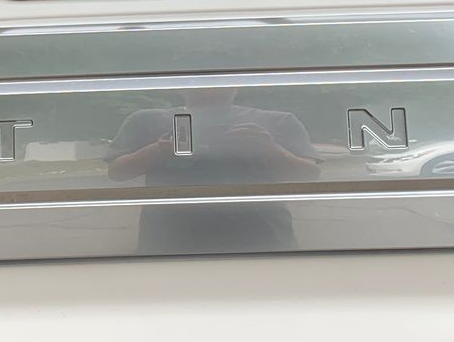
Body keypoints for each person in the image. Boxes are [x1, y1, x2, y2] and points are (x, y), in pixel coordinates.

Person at [107, 85, 319, 254]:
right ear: (180, 85)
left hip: (262, 240)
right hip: (169, 242)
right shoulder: (146, 120)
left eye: (217, 78)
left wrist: (269, 149)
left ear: (237, 84)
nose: (208, 86)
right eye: (198, 78)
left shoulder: (278, 121)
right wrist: (158, 150)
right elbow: (117, 172)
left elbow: (309, 175)